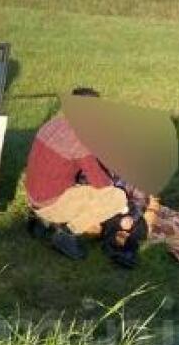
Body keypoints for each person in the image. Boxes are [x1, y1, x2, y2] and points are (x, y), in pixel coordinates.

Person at [24, 87, 148, 267]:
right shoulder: (81, 139)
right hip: (50, 203)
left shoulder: (53, 124)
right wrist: (122, 203)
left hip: (34, 196)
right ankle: (67, 234)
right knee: (115, 197)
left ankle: (42, 221)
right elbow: (101, 184)